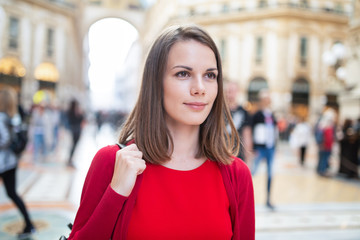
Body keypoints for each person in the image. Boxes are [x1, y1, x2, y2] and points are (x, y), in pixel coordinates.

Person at [68, 25, 255, 240]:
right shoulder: (112, 162)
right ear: (156, 82)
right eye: (183, 74)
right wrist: (116, 192)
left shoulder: (236, 175)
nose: (200, 88)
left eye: (210, 75)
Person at [0, 87, 36, 238]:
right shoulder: (14, 117)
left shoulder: (1, 117)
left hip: (3, 161)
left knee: (12, 193)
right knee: (12, 193)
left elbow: (4, 139)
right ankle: (29, 224)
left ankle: (29, 224)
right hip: (11, 161)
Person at [250, 89, 277, 210]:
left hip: (270, 148)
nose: (267, 101)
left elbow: (274, 132)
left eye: (268, 99)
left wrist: (276, 146)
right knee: (251, 172)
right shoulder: (257, 115)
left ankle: (268, 199)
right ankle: (242, 197)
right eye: (265, 99)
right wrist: (253, 148)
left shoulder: (272, 115)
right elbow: (251, 132)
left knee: (271, 174)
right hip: (259, 148)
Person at [224, 81, 252, 164]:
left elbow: (247, 135)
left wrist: (248, 158)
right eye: (228, 91)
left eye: (232, 91)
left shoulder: (244, 112)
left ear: (237, 92)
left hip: (238, 155)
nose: (230, 94)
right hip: (219, 154)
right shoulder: (218, 110)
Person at [315, 108, 336, 176]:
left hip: (327, 145)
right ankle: (321, 170)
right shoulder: (323, 126)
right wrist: (321, 144)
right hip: (324, 145)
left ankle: (322, 169)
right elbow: (320, 136)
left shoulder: (328, 126)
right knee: (323, 158)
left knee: (325, 158)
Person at [66, 99, 85, 168]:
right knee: (74, 145)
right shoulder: (74, 112)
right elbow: (81, 119)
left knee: (74, 145)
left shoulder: (70, 112)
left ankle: (70, 159)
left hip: (74, 129)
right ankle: (70, 160)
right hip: (76, 130)